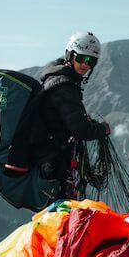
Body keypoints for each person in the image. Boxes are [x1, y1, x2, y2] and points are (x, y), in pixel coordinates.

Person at [25, 32, 111, 200]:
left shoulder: (58, 80)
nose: (86, 65)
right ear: (70, 55)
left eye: (91, 61)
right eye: (81, 58)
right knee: (60, 210)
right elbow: (81, 129)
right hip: (52, 160)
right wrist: (102, 129)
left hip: (47, 158)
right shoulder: (64, 86)